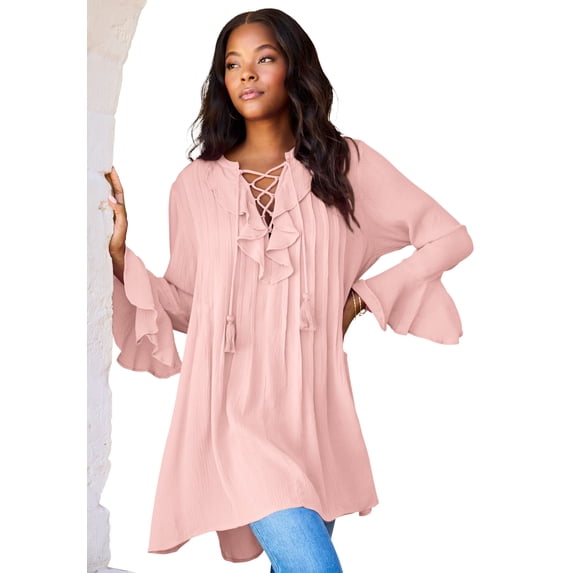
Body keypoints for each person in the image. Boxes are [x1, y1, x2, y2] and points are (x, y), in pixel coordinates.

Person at [106, 8, 473, 572]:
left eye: (264, 58)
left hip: (314, 410)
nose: (247, 75)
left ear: (293, 68)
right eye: (233, 64)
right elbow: (191, 306)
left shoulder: (345, 165)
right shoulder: (195, 186)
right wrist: (120, 256)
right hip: (231, 411)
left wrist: (364, 297)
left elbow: (448, 238)